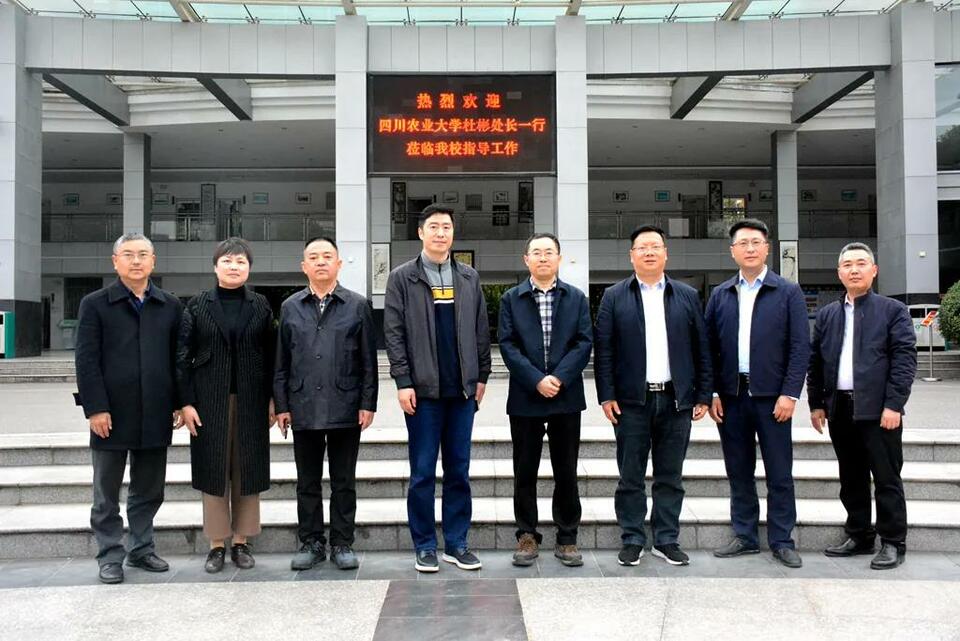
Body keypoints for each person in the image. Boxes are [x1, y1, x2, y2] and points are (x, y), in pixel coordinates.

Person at [594, 225, 712, 567]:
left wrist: (702, 393)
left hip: (676, 401)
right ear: (631, 255)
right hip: (632, 402)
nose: (649, 252)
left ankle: (666, 539)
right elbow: (605, 351)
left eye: (655, 246)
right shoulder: (614, 296)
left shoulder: (687, 295)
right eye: (642, 247)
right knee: (630, 475)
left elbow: (701, 349)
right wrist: (606, 395)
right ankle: (632, 538)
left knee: (670, 476)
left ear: (665, 254)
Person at [384, 204, 492, 573]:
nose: (440, 233)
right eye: (434, 227)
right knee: (423, 472)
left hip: (461, 393)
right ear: (421, 233)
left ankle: (457, 543)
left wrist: (481, 378)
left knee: (459, 470)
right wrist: (403, 381)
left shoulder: (468, 277)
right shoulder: (403, 278)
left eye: (446, 226)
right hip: (423, 393)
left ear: (453, 233)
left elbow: (481, 330)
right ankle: (425, 544)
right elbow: (394, 334)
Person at [74, 233, 182, 584]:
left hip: (155, 410)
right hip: (110, 414)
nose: (136, 261)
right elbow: (86, 360)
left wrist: (180, 402)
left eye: (143, 255)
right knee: (106, 492)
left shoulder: (169, 305)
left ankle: (141, 549)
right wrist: (95, 408)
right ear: (115, 261)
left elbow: (178, 360)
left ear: (154, 261)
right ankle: (109, 555)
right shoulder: (96, 303)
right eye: (128, 255)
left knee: (149, 489)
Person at [705, 218, 810, 569]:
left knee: (780, 472)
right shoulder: (721, 294)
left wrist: (790, 394)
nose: (750, 249)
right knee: (739, 470)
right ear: (732, 250)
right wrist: (713, 393)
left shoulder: (787, 291)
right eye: (743, 243)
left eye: (756, 242)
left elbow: (799, 347)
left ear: (767, 248)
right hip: (732, 398)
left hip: (772, 399)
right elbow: (710, 350)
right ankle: (745, 536)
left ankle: (782, 539)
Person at [807, 242, 917, 570]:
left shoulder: (891, 310)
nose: (854, 270)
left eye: (861, 264)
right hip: (840, 409)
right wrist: (816, 404)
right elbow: (817, 361)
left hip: (879, 411)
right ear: (839, 273)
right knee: (851, 477)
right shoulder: (828, 314)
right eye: (847, 265)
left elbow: (904, 359)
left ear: (874, 270)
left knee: (886, 478)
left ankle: (894, 542)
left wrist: (894, 404)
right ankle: (859, 534)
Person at [274, 237, 378, 571]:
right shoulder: (290, 306)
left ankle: (342, 543)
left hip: (346, 405)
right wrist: (282, 404)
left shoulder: (357, 305)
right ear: (304, 266)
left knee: (344, 480)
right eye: (313, 257)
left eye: (327, 257)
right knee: (307, 481)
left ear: (338, 264)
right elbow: (281, 361)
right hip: (302, 406)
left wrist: (368, 402)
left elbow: (368, 361)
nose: (321, 262)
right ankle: (311, 541)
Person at [176, 237, 276, 573]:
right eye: (228, 261)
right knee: (213, 469)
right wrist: (185, 402)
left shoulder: (262, 305)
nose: (234, 267)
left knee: (247, 469)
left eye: (241, 262)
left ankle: (242, 542)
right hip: (208, 401)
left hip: (252, 398)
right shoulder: (197, 305)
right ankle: (217, 544)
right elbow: (182, 357)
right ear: (215, 266)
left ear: (249, 267)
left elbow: (274, 355)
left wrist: (275, 400)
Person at [498, 233, 593, 568]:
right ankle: (526, 534)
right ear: (526, 260)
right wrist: (536, 379)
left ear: (559, 258)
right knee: (525, 470)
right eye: (536, 253)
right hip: (526, 397)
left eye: (548, 252)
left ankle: (567, 537)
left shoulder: (576, 297)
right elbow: (507, 345)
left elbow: (584, 342)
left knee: (565, 470)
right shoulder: (512, 298)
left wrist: (560, 378)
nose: (542, 258)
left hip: (566, 398)